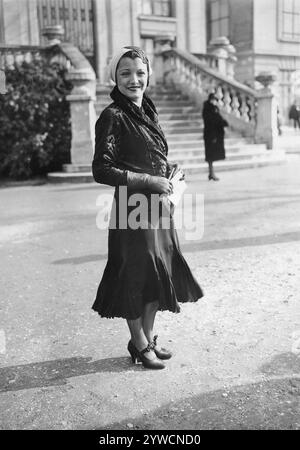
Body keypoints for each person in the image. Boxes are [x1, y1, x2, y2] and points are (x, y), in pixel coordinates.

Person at [91, 46, 203, 370]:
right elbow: (102, 169)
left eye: (140, 72)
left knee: (159, 272)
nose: (134, 80)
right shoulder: (112, 115)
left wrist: (167, 168)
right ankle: (138, 344)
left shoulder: (149, 111)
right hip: (131, 206)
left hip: (158, 207)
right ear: (115, 77)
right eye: (125, 73)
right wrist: (150, 180)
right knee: (135, 276)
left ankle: (148, 338)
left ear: (148, 75)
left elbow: (145, 153)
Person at [202, 93, 228, 181]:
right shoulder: (208, 109)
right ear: (210, 100)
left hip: (214, 134)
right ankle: (211, 173)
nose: (214, 101)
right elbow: (211, 122)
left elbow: (219, 119)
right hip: (210, 134)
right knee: (210, 155)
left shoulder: (214, 108)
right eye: (213, 99)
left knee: (211, 155)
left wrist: (223, 123)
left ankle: (211, 173)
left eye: (215, 100)